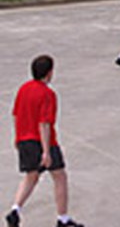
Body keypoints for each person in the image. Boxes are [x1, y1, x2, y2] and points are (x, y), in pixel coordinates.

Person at [5, 56, 84, 227]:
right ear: (49, 73)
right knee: (60, 176)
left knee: (31, 176)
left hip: (24, 139)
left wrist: (16, 137)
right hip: (42, 142)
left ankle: (15, 210)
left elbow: (16, 114)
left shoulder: (23, 89)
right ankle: (62, 218)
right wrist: (46, 151)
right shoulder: (47, 94)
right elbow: (44, 123)